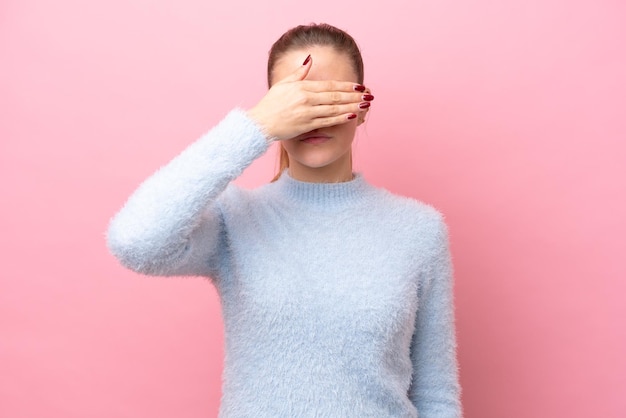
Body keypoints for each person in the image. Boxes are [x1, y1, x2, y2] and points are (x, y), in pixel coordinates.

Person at [107, 23, 462, 418]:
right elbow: (135, 241)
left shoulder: (419, 230)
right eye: (297, 100)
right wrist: (254, 127)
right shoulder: (236, 219)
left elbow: (435, 395)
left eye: (329, 97)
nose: (314, 115)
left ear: (362, 108)